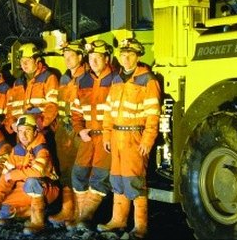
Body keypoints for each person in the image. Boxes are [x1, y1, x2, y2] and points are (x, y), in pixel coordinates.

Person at [98, 38, 161, 240]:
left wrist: (147, 140)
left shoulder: (147, 80)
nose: (125, 58)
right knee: (117, 179)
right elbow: (108, 111)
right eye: (123, 54)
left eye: (130, 54)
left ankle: (140, 226)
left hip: (135, 136)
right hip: (116, 136)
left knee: (134, 180)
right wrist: (107, 134)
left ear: (138, 56)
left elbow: (153, 114)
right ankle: (118, 220)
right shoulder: (116, 80)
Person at [70, 39, 116, 230]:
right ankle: (80, 216)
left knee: (100, 176)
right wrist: (79, 130)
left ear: (107, 58)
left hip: (107, 137)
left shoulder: (116, 80)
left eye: (98, 57)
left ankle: (86, 217)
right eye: (91, 57)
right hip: (88, 137)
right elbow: (76, 111)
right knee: (78, 174)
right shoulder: (83, 81)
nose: (94, 61)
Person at [0, 114, 60, 235]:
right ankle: (28, 212)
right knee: (0, 210)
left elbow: (37, 172)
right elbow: (5, 177)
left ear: (35, 131)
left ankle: (37, 221)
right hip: (23, 190)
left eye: (27, 130)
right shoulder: (17, 150)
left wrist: (13, 175)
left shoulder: (41, 148)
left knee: (32, 181)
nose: (23, 135)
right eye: (20, 131)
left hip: (45, 189)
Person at [48, 40, 87, 228]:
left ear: (80, 56)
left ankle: (80, 214)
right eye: (65, 56)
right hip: (63, 130)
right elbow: (58, 104)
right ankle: (67, 209)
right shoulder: (64, 78)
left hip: (78, 131)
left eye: (71, 56)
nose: (68, 60)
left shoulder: (86, 77)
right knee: (65, 171)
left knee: (79, 172)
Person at [4, 42, 59, 166]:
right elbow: (11, 108)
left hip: (41, 131)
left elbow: (52, 106)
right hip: (21, 132)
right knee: (23, 164)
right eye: (22, 61)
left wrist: (40, 123)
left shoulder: (48, 78)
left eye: (27, 60)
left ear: (37, 60)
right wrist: (11, 122)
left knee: (42, 163)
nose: (24, 64)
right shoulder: (18, 82)